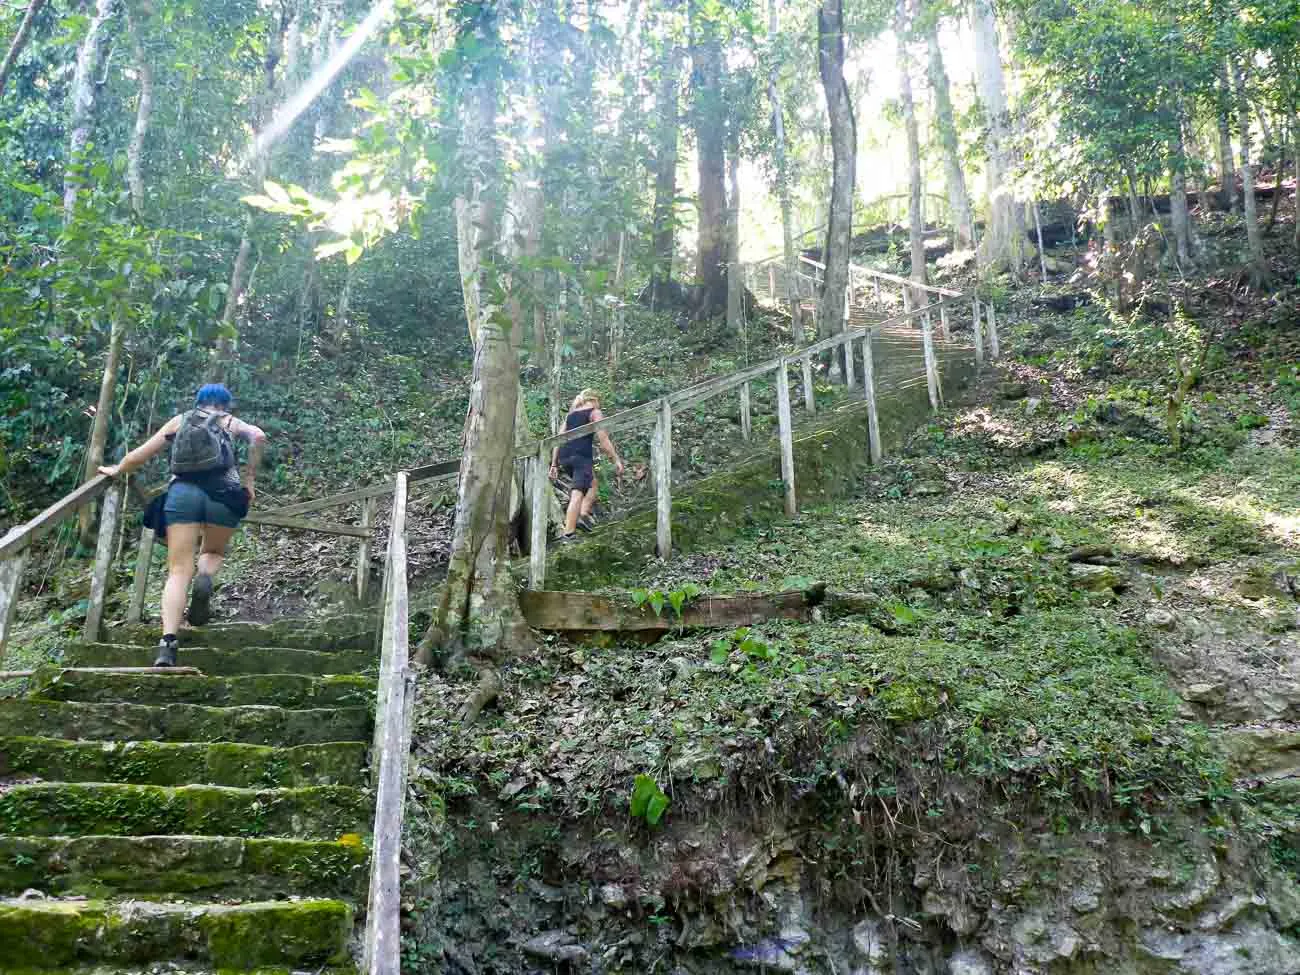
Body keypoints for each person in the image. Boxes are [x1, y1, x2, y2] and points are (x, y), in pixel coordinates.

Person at [98, 383, 267, 666]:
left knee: (177, 571)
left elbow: (140, 454)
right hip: (224, 494)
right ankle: (205, 577)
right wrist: (249, 481)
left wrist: (118, 469)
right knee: (212, 552)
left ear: (199, 401)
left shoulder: (182, 420)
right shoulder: (229, 421)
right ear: (225, 404)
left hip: (182, 493)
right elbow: (259, 436)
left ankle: (167, 644)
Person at [549, 388, 623, 542]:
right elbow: (604, 440)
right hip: (580, 457)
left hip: (565, 457)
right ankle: (568, 533)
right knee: (578, 493)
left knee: (592, 484)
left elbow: (558, 439)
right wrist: (615, 460)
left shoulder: (570, 415)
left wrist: (554, 464)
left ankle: (582, 515)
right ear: (595, 400)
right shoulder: (594, 412)